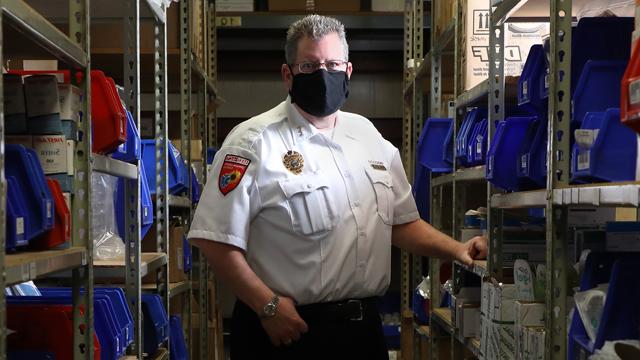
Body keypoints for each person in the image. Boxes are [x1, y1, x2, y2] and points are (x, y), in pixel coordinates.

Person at [188, 14, 487, 360]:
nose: (322, 74)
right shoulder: (252, 142)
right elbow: (213, 239)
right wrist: (266, 306)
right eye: (309, 65)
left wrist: (458, 250)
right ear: (288, 75)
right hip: (284, 332)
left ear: (347, 71)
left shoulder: (368, 137)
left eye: (332, 64)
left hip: (361, 334)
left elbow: (401, 223)